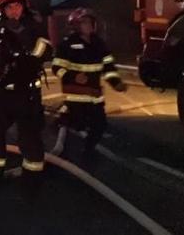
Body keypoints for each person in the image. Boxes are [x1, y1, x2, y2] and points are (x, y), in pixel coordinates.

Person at [0, 0, 53, 189]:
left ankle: (32, 181)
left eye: (17, 6)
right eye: (9, 7)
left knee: (29, 138)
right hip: (4, 92)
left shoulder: (35, 27)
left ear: (24, 6)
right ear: (3, 9)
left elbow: (46, 51)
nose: (14, 11)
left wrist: (23, 51)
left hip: (27, 93)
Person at [51, 8, 127, 155]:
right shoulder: (67, 44)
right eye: (85, 22)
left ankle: (88, 151)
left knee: (100, 125)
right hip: (75, 98)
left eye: (90, 22)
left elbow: (108, 67)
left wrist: (116, 82)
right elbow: (57, 68)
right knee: (73, 124)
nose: (89, 25)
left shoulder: (99, 44)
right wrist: (73, 76)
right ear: (76, 25)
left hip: (95, 97)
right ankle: (64, 149)